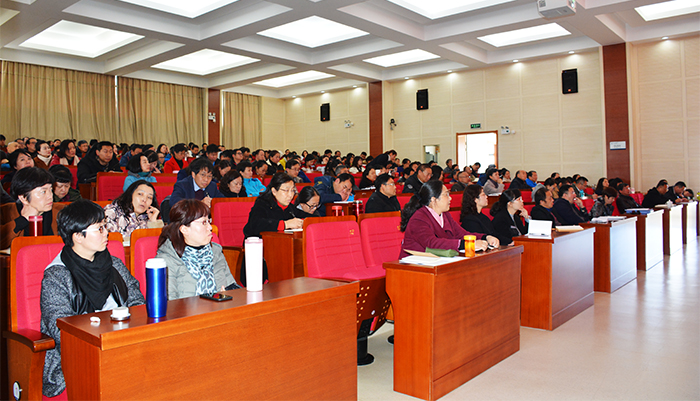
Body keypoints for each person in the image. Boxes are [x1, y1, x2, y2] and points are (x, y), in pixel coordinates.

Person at [40, 200, 144, 398]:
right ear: (78, 236)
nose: (107, 233)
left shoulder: (114, 264)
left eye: (105, 226)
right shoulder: (57, 275)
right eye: (100, 229)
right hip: (79, 354)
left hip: (122, 342)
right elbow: (61, 329)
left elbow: (137, 302)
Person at [156, 199, 240, 300]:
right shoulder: (166, 260)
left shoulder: (215, 252)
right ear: (184, 229)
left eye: (209, 221)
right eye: (204, 222)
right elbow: (170, 305)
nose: (210, 227)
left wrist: (229, 295)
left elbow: (231, 286)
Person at [399, 180, 496, 258]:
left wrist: (485, 237)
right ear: (434, 200)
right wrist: (466, 244)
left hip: (438, 260)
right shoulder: (419, 219)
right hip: (415, 264)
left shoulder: (445, 215)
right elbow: (431, 243)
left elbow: (461, 234)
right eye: (446, 195)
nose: (450, 198)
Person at [0, 167, 66, 248]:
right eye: (43, 192)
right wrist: (23, 219)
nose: (50, 196)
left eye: (51, 190)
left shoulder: (62, 211)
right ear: (23, 197)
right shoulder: (5, 212)